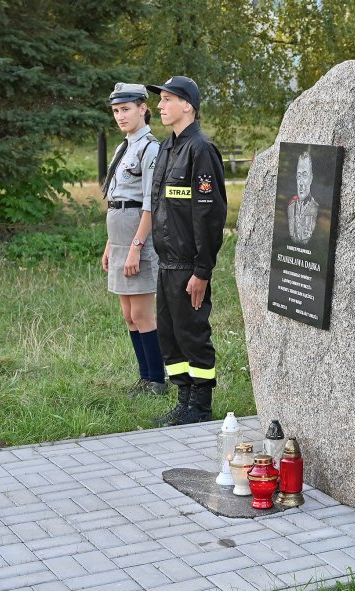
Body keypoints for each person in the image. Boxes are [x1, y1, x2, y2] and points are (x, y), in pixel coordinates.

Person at [145, 76, 227, 426]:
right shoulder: (168, 147)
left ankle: (201, 406)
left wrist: (202, 271)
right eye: (160, 100)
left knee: (193, 335)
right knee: (171, 335)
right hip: (166, 263)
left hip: (189, 266)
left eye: (166, 99)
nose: (160, 106)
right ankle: (183, 400)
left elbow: (209, 215)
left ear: (187, 106)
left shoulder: (201, 150)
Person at [100, 82, 166, 397]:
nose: (120, 116)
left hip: (138, 233)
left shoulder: (149, 148)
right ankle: (145, 378)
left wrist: (137, 248)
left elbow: (150, 203)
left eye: (125, 109)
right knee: (128, 315)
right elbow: (116, 197)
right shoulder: (123, 146)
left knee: (141, 313)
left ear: (143, 107)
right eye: (116, 110)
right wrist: (111, 245)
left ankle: (158, 381)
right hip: (120, 232)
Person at [287, 150, 319, 243]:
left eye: (305, 176)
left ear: (311, 178)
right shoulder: (290, 208)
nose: (301, 183)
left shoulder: (317, 209)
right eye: (299, 176)